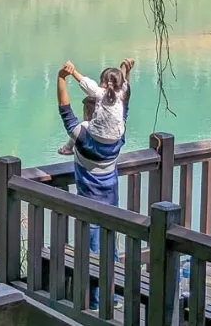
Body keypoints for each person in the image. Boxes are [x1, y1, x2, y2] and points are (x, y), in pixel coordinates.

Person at [57, 58, 134, 310]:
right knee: (109, 250)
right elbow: (124, 103)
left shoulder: (82, 137)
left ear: (89, 114)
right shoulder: (118, 139)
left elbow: (65, 112)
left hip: (89, 206)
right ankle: (112, 298)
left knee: (92, 253)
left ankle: (95, 302)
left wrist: (61, 78)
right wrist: (125, 74)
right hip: (111, 204)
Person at [57, 59, 133, 156]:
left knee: (82, 126)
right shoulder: (122, 95)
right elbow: (125, 89)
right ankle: (67, 148)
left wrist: (71, 72)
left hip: (97, 135)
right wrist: (125, 69)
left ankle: (67, 148)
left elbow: (86, 83)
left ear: (104, 83)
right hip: (116, 136)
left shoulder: (100, 93)